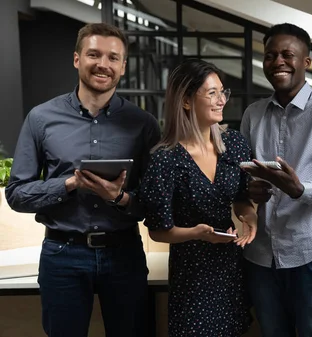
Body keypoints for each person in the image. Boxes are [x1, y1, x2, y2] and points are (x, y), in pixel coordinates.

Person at [6, 23, 160, 336]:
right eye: (94, 54)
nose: (103, 64)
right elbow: (17, 194)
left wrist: (118, 197)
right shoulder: (41, 118)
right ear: (77, 59)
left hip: (124, 254)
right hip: (62, 254)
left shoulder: (143, 124)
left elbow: (154, 202)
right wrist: (69, 184)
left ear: (123, 66)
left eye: (113, 58)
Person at [240, 23, 312, 337]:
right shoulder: (253, 113)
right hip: (261, 254)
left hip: (311, 253)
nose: (278, 62)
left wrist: (300, 189)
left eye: (288, 54)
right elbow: (246, 175)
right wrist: (252, 190)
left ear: (307, 62)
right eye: (271, 55)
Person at [139, 59, 257, 337]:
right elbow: (158, 231)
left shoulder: (235, 144)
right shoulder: (165, 159)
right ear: (187, 101)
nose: (221, 101)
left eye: (222, 92)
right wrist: (197, 234)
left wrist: (249, 217)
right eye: (211, 93)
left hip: (230, 269)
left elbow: (242, 198)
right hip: (192, 274)